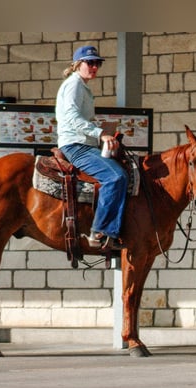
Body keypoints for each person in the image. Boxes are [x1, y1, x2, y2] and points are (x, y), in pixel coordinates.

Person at [56, 45, 127, 250]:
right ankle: (100, 232)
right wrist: (101, 134)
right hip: (76, 145)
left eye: (97, 63)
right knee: (116, 177)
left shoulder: (82, 86)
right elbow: (72, 118)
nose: (94, 67)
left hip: (83, 143)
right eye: (90, 62)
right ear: (78, 64)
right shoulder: (74, 85)